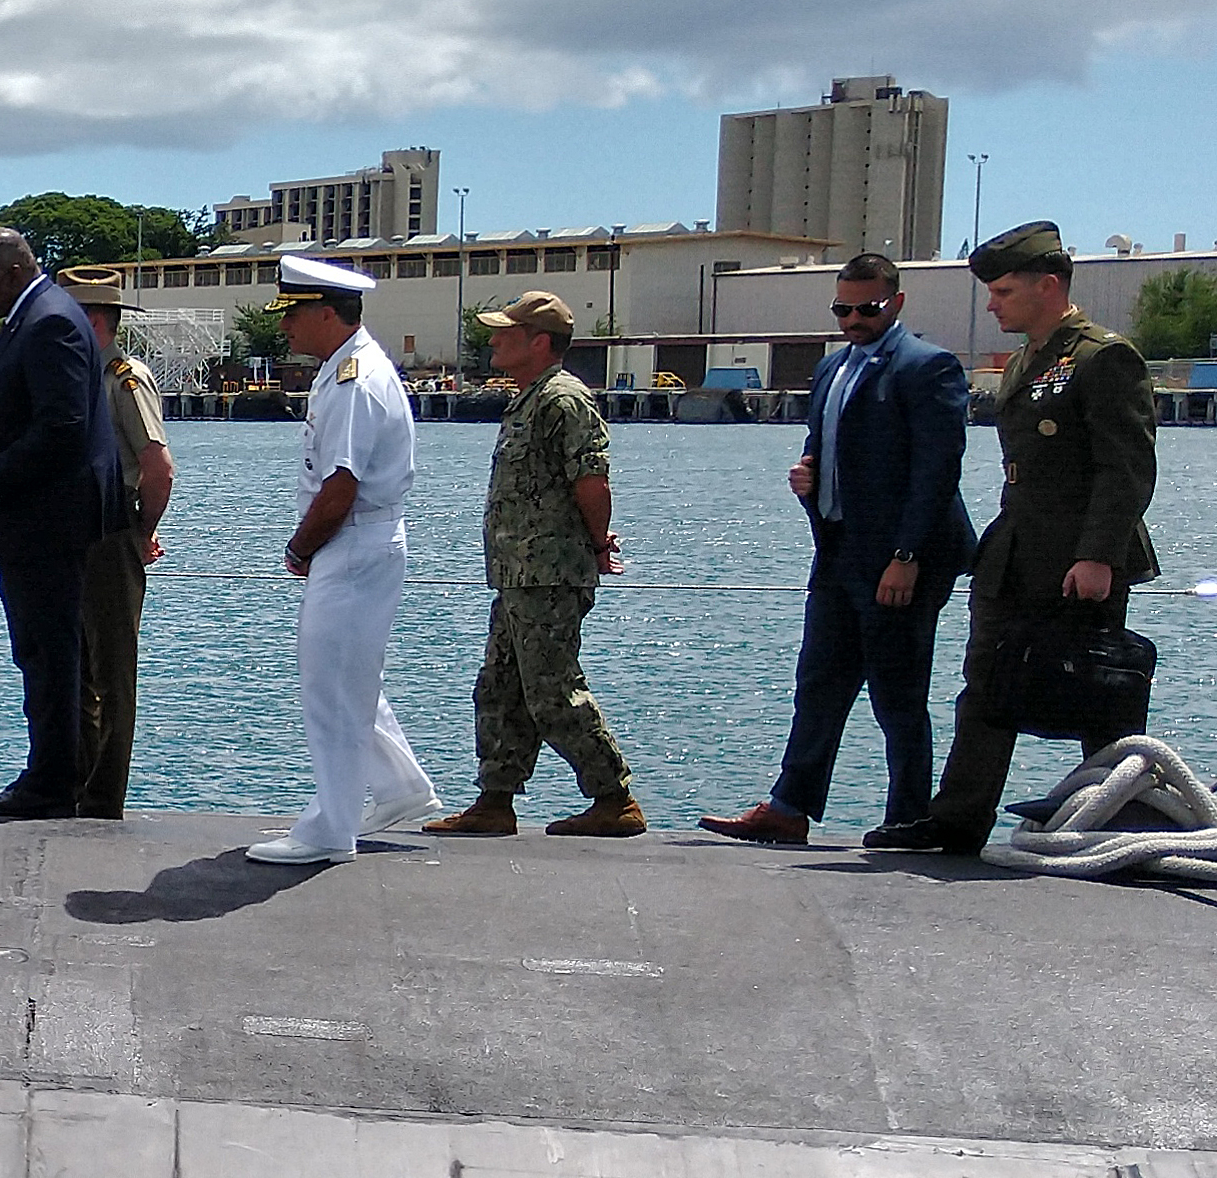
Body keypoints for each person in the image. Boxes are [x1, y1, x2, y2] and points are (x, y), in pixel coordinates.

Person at [892, 221, 1164, 856]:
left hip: (1078, 557)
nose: (992, 303)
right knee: (987, 682)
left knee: (1099, 691)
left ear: (1049, 286)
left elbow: (1126, 468)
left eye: (1005, 291)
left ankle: (1121, 823)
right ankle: (957, 820)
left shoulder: (1104, 358)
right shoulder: (1026, 361)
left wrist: (1097, 555)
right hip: (1016, 550)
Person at [701, 252, 976, 848]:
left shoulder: (929, 368)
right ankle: (789, 806)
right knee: (819, 682)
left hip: (904, 559)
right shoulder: (831, 369)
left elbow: (937, 472)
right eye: (842, 308)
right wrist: (809, 478)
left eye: (866, 308)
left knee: (897, 695)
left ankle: (909, 817)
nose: (853, 318)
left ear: (896, 303)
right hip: (839, 551)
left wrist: (907, 557)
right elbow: (825, 448)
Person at [424, 290, 647, 837]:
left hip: (549, 573)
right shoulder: (530, 397)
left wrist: (598, 544)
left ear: (539, 341)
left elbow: (591, 481)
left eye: (506, 331)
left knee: (552, 688)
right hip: (519, 575)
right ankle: (495, 801)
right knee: (501, 684)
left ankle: (614, 797)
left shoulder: (562, 400)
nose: (494, 339)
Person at [250, 253, 443, 864]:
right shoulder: (345, 368)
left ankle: (331, 829)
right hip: (360, 540)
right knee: (351, 675)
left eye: (293, 314)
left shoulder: (355, 380)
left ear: (326, 313)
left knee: (331, 686)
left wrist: (299, 547)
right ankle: (402, 789)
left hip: (353, 539)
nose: (285, 328)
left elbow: (341, 486)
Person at [0, 225, 119, 816]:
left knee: (48, 654)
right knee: (39, 651)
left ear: (14, 273)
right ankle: (49, 775)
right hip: (35, 524)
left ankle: (51, 783)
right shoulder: (35, 316)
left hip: (45, 526)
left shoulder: (49, 323)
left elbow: (60, 432)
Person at [61, 265, 172, 820]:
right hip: (75, 531)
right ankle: (76, 780)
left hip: (112, 531)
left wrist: (140, 531)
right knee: (76, 664)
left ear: (95, 321)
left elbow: (158, 466)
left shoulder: (125, 380)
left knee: (112, 668)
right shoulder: (77, 378)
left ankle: (104, 795)